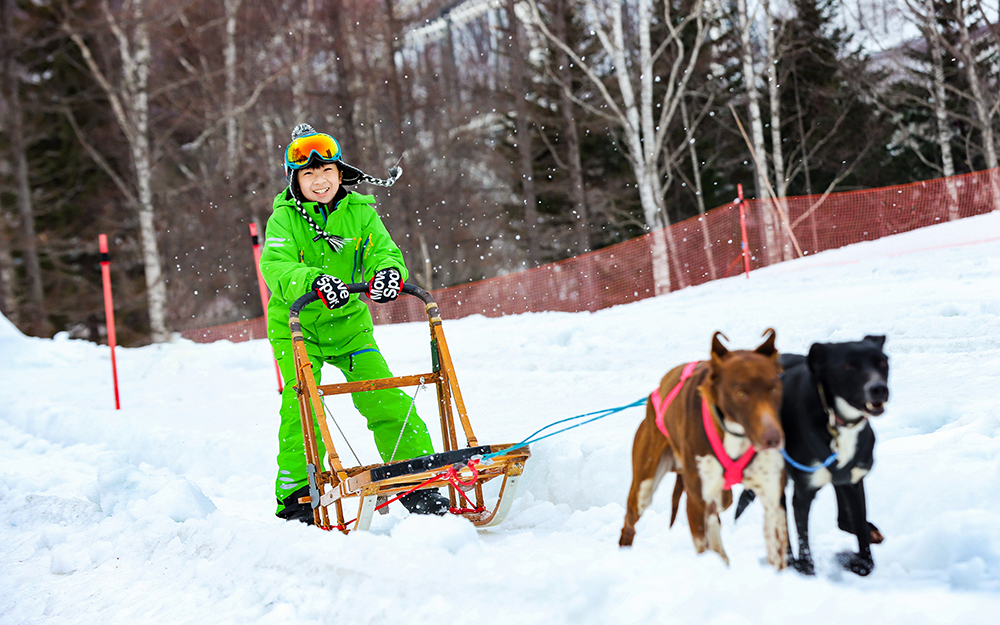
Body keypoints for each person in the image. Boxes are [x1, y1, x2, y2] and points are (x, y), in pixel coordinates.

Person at [260, 123, 450, 523]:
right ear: (295, 179)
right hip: (298, 325)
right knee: (302, 406)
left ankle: (417, 479)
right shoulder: (284, 218)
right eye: (308, 174)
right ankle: (297, 494)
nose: (319, 180)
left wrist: (388, 273)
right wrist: (313, 280)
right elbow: (276, 266)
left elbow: (383, 252)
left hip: (349, 325)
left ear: (340, 172)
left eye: (326, 171)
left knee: (383, 394)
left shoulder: (361, 212)